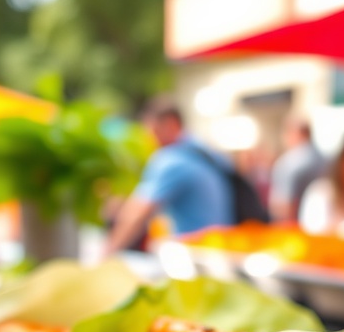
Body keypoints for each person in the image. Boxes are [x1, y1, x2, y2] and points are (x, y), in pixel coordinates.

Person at [105, 97, 236, 253]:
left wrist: (106, 253)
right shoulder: (203, 150)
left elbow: (135, 215)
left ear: (171, 125)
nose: (150, 140)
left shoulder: (171, 160)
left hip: (196, 254)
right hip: (224, 247)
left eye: (153, 132)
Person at [268, 119, 327, 222]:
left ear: (293, 134)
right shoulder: (326, 160)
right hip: (325, 228)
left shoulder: (288, 163)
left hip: (296, 229)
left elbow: (283, 206)